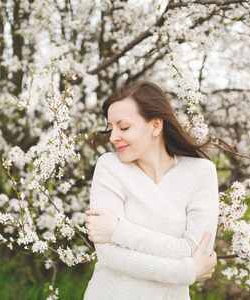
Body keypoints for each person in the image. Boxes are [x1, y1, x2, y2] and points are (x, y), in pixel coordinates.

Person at [83, 81, 219, 300]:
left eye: (123, 127)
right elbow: (109, 255)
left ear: (155, 125)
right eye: (110, 128)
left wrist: (119, 231)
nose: (112, 137)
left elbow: (195, 251)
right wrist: (187, 271)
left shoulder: (200, 172)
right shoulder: (110, 166)